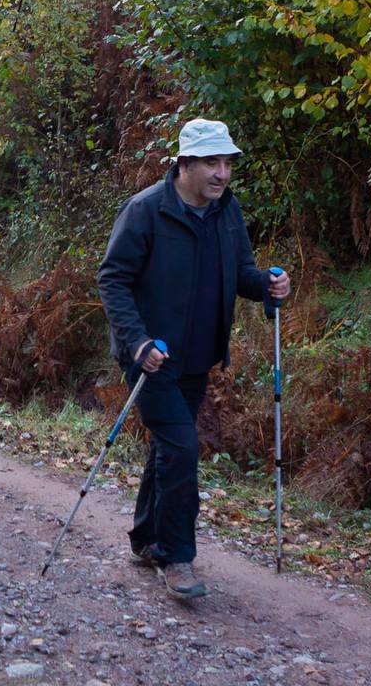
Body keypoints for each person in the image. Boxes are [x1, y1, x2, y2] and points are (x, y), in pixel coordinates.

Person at [98, 118, 290, 602]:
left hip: (199, 356)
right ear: (184, 164)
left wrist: (266, 284)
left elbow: (241, 272)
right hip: (151, 359)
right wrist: (138, 342)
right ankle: (177, 557)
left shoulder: (227, 212)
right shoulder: (146, 212)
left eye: (227, 163)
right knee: (182, 448)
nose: (222, 173)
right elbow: (113, 279)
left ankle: (146, 538)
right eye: (211, 162)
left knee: (169, 446)